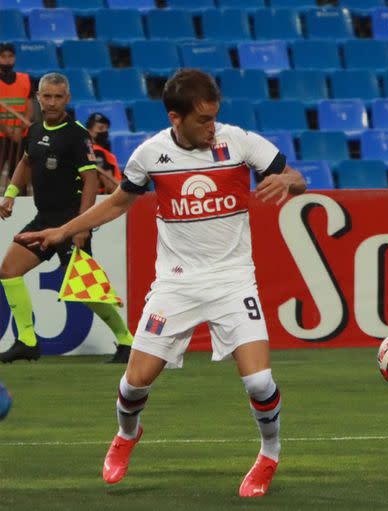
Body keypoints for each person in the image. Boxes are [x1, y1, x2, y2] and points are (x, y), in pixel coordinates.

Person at [16, 68, 307, 498]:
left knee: (260, 382)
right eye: (203, 120)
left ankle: (269, 453)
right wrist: (60, 231)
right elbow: (117, 202)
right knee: (133, 385)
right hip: (175, 285)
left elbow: (298, 179)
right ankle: (127, 435)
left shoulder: (239, 142)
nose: (213, 127)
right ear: (176, 118)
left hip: (232, 281)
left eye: (215, 117)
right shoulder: (150, 155)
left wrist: (287, 180)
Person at [0, 72, 133, 365]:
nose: (52, 102)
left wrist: (82, 225)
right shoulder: (33, 131)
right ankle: (27, 340)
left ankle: (126, 340)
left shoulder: (76, 134)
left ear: (67, 99)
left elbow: (89, 181)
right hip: (42, 220)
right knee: (8, 270)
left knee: (86, 290)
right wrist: (10, 194)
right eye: (46, 96)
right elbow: (25, 162)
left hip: (71, 223)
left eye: (58, 97)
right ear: (38, 98)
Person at [0, 42, 34, 177]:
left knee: (19, 178)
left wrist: (19, 128)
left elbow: (30, 107)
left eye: (10, 56)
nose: (7, 59)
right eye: (3, 56)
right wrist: (7, 130)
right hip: (2, 135)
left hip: (20, 135)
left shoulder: (24, 79)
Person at [86, 112, 121, 194]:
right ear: (89, 131)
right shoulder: (97, 152)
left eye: (106, 128)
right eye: (100, 128)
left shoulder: (90, 150)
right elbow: (109, 185)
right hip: (109, 197)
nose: (105, 131)